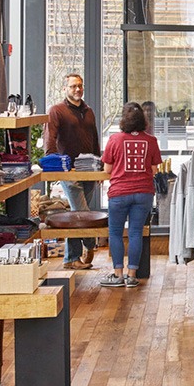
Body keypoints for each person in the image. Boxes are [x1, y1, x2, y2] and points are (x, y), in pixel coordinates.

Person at [102, 101, 164, 289]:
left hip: (119, 193)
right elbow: (154, 170)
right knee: (136, 232)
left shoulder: (115, 140)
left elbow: (107, 169)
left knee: (115, 233)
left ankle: (118, 275)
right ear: (142, 120)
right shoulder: (151, 141)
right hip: (144, 193)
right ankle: (132, 275)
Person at [45, 72, 100, 269]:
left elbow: (95, 139)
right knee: (80, 212)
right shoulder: (57, 111)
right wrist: (52, 164)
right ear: (65, 89)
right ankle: (89, 243)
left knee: (78, 214)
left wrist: (99, 165)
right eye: (73, 86)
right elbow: (50, 139)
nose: (77, 89)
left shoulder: (89, 111)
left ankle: (71, 258)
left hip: (90, 170)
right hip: (68, 171)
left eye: (80, 86)